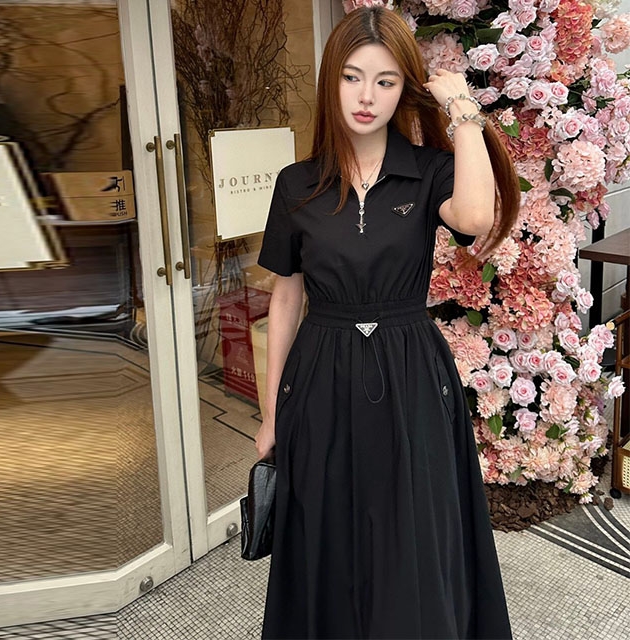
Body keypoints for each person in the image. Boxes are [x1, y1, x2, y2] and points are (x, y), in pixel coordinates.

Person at [255, 6, 520, 639]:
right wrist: (270, 415)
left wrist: (462, 109)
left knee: (412, 532)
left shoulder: (427, 172)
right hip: (321, 374)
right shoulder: (296, 185)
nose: (366, 97)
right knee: (327, 530)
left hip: (410, 372)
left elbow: (477, 217)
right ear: (331, 81)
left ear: (405, 89)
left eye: (385, 80)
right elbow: (285, 300)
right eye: (352, 77)